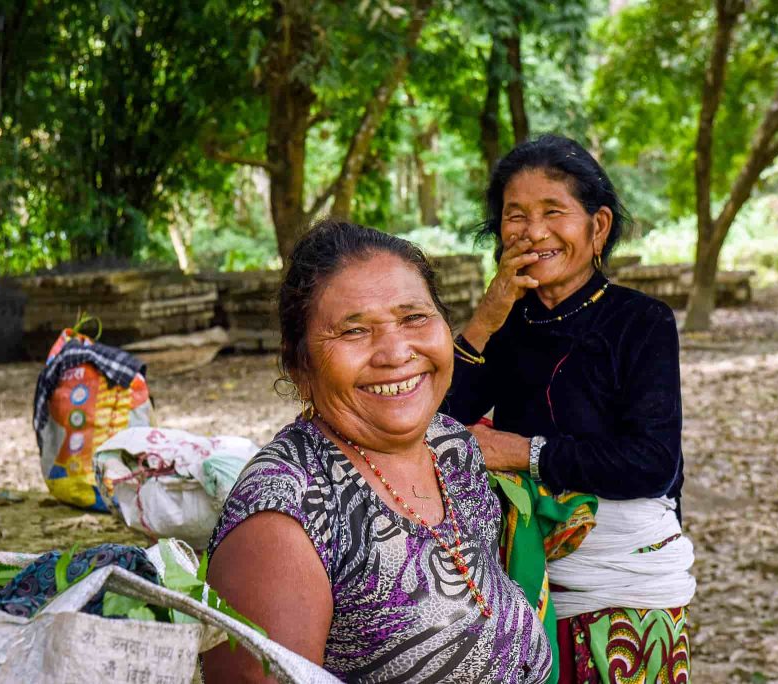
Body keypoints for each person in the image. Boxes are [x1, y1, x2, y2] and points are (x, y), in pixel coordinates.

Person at [203, 220, 552, 683]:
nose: (395, 352)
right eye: (353, 331)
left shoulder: (449, 445)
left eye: (414, 318)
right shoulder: (285, 516)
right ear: (299, 364)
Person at [444, 135, 695, 683]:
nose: (533, 232)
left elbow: (652, 463)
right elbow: (436, 420)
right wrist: (486, 316)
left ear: (597, 226)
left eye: (552, 212)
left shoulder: (641, 322)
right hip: (522, 587)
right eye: (516, 216)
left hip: (626, 585)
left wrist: (521, 453)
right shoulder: (507, 325)